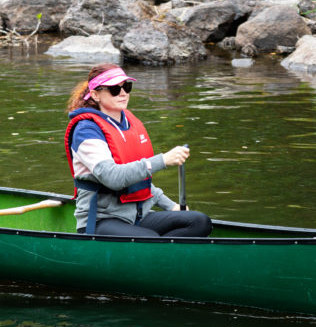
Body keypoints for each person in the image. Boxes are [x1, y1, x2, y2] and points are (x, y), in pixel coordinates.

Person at [65, 64, 212, 237]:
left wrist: (171, 206)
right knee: (150, 240)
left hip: (138, 215)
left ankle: (161, 256)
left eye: (127, 87)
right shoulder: (86, 130)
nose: (123, 93)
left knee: (199, 222)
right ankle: (160, 256)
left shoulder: (128, 123)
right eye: (114, 89)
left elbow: (140, 180)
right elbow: (113, 178)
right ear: (96, 95)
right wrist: (162, 160)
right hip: (101, 220)